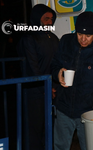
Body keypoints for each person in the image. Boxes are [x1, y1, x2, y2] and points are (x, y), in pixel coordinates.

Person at [51, 11, 93, 150]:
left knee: (89, 146)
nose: (83, 39)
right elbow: (54, 63)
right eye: (79, 34)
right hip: (64, 108)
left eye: (88, 36)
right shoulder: (66, 41)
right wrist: (57, 73)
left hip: (87, 113)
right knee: (59, 146)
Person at [16, 4, 59, 150]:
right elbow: (32, 67)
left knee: (49, 128)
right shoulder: (29, 38)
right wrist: (45, 88)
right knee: (34, 129)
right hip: (33, 92)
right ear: (36, 19)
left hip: (51, 90)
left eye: (51, 19)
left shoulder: (53, 38)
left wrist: (54, 86)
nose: (49, 22)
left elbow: (57, 63)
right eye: (46, 19)